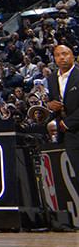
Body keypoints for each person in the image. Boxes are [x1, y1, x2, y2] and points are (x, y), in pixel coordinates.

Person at [47, 44, 79, 178]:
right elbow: (52, 100)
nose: (62, 57)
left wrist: (67, 123)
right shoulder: (52, 79)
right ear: (54, 59)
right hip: (69, 135)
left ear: (72, 56)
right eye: (58, 55)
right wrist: (50, 105)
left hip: (70, 125)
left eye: (65, 54)